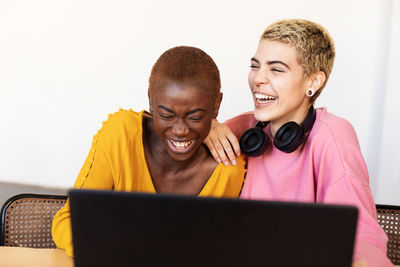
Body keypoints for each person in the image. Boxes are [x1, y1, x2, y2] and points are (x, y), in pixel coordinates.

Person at [204, 19, 393, 267]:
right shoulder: (240, 129)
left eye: (276, 69)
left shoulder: (332, 134)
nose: (258, 78)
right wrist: (201, 127)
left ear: (313, 82)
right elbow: (164, 137)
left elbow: (359, 232)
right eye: (255, 65)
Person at [52, 46, 245, 257]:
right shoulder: (121, 134)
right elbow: (67, 221)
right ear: (150, 101)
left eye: (195, 117)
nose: (180, 130)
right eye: (167, 115)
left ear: (216, 105)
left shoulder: (228, 167)